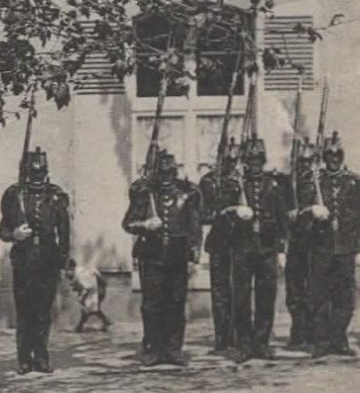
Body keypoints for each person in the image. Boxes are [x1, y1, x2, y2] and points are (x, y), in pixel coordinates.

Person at [209, 136, 293, 361]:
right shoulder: (235, 184)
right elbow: (219, 213)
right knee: (242, 298)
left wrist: (282, 251)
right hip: (242, 249)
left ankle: (262, 343)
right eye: (250, 160)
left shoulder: (274, 185)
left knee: (266, 297)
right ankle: (244, 344)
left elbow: (283, 221)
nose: (255, 164)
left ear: (263, 161)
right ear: (245, 161)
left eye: (258, 160)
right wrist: (235, 208)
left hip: (267, 248)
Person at [123, 148, 202, 367]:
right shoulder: (145, 195)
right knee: (152, 305)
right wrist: (144, 225)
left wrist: (195, 251)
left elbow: (194, 226)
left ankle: (174, 349)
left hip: (177, 257)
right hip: (152, 258)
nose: (167, 178)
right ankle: (154, 349)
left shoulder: (187, 195)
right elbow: (127, 223)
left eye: (170, 173)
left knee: (176, 303)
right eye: (163, 174)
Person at [0, 147, 72, 374]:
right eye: (33, 173)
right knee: (25, 311)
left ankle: (41, 356)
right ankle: (24, 358)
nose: (37, 178)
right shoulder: (15, 195)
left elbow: (64, 232)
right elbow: (2, 230)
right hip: (24, 260)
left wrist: (63, 260)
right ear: (25, 172)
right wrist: (15, 235)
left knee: (43, 311)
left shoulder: (56, 197)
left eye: (41, 173)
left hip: (47, 261)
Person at [307, 133, 360, 357]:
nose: (333, 159)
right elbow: (300, 215)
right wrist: (312, 211)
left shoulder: (352, 182)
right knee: (320, 296)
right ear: (324, 157)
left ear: (342, 157)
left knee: (345, 298)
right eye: (329, 155)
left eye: (337, 155)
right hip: (321, 247)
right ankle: (321, 343)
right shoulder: (316, 181)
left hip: (345, 247)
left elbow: (359, 218)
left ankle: (339, 339)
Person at [198, 145, 240, 355]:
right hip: (219, 241)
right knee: (221, 292)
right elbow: (203, 213)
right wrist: (222, 211)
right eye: (227, 161)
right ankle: (222, 340)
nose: (230, 165)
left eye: (234, 161)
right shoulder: (208, 182)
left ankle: (240, 337)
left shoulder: (242, 180)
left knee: (240, 291)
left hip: (242, 243)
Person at [283, 140, 321, 350]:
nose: (304, 165)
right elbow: (278, 209)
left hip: (315, 241)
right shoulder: (288, 183)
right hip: (295, 242)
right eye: (301, 161)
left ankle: (314, 332)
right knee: (295, 289)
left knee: (314, 287)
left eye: (308, 161)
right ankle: (298, 330)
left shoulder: (320, 183)